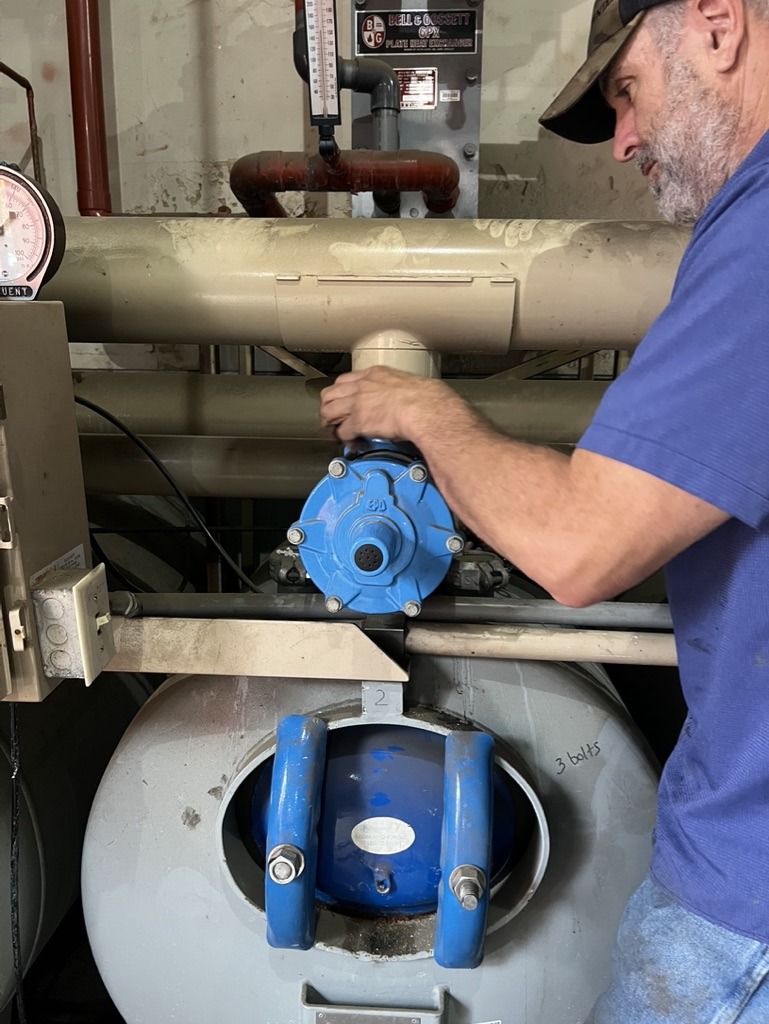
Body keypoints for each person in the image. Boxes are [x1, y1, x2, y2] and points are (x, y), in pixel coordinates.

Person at [319, 0, 769, 1019]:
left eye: (626, 92)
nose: (624, 140)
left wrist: (423, 411)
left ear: (716, 24)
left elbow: (577, 544)